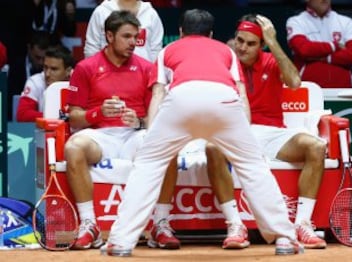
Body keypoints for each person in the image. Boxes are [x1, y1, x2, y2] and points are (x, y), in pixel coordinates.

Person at [103, 9, 303, 257]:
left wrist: (152, 140)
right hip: (224, 103)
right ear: (210, 34)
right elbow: (241, 95)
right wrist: (244, 139)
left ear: (180, 32)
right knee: (253, 165)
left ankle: (121, 241)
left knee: (148, 164)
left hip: (181, 100)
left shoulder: (167, 51)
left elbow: (158, 95)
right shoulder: (226, 51)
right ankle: (284, 237)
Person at [230, 13, 327, 249]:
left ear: (262, 44)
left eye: (251, 43)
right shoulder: (226, 61)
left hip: (273, 134)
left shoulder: (272, 60)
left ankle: (302, 223)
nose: (243, 48)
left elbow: (294, 82)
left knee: (315, 146)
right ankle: (235, 224)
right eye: (240, 40)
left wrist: (273, 42)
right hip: (236, 133)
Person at [64, 10, 153, 250]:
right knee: (73, 147)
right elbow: (74, 117)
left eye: (136, 37)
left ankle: (159, 223)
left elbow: (154, 119)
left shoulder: (146, 68)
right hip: (99, 136)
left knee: (160, 146)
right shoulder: (85, 68)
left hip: (134, 135)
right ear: (109, 36)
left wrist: (139, 121)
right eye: (127, 36)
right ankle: (89, 225)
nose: (133, 43)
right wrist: (98, 113)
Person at [286, 0, 352, 88]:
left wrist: (325, 57)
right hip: (308, 91)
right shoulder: (296, 21)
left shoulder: (346, 21)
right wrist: (335, 46)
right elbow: (304, 49)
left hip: (342, 91)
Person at [84, 0, 164, 62]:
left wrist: (151, 76)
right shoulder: (101, 12)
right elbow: (92, 49)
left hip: (143, 76)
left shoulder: (151, 14)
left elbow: (156, 50)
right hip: (106, 74)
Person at [16, 45, 74, 122]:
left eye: (54, 69)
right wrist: (56, 117)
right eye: (45, 67)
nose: (47, 74)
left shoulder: (80, 81)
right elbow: (22, 114)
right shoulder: (36, 81)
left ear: (68, 71)